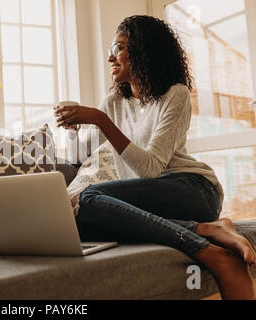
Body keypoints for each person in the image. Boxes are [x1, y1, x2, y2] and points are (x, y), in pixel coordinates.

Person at [54, 15, 256, 300]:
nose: (110, 58)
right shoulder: (113, 103)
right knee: (80, 220)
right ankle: (208, 229)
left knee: (88, 197)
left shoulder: (176, 94)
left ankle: (208, 250)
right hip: (155, 203)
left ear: (144, 52)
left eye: (118, 48)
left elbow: (150, 168)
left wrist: (101, 121)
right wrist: (74, 131)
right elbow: (79, 158)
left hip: (193, 190)